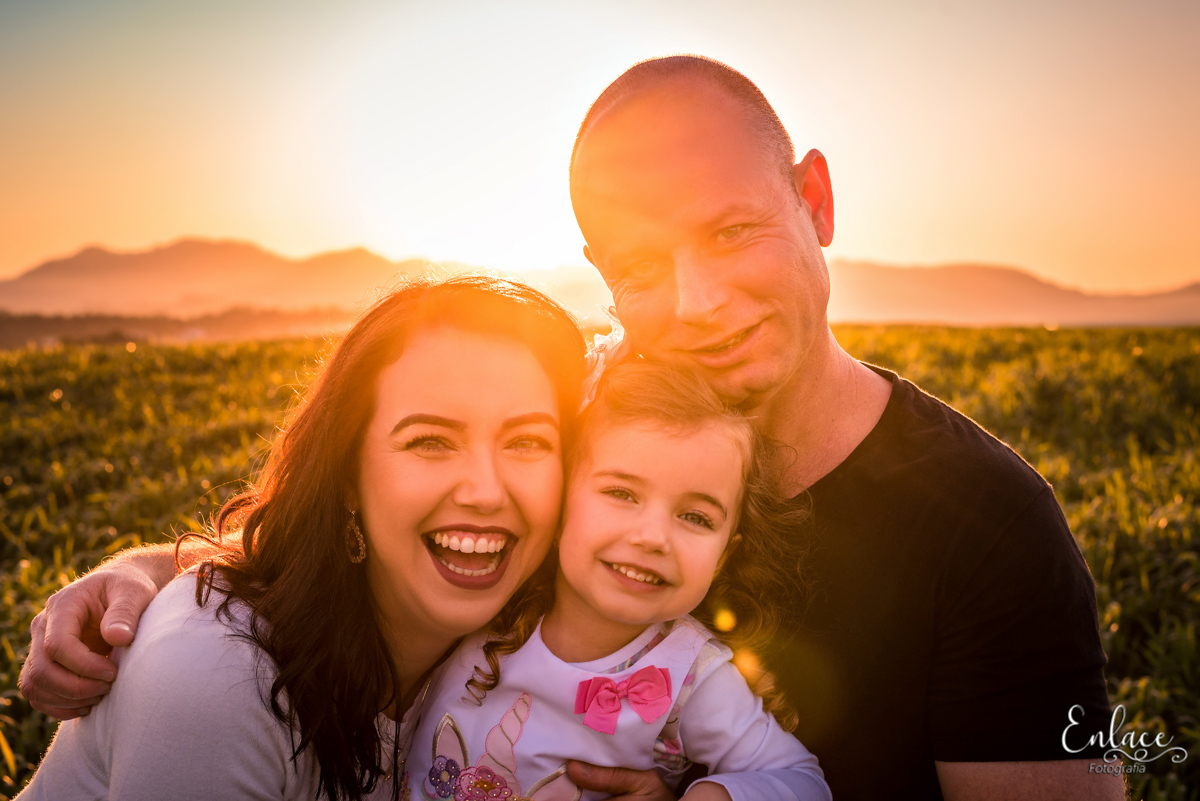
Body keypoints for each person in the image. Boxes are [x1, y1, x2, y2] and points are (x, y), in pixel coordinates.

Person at [22, 56, 1124, 799]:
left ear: (817, 202)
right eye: (642, 267)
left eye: (735, 230)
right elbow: (365, 531)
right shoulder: (591, 416)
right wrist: (147, 575)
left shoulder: (989, 528)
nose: (695, 304)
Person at [19, 276, 591, 800]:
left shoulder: (534, 648)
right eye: (430, 442)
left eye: (528, 442)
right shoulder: (218, 680)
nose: (487, 492)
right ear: (346, 474)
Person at [408, 360, 829, 801]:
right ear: (561, 503)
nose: (652, 538)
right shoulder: (491, 599)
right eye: (621, 493)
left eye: (695, 517)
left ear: (725, 555)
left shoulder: (692, 679)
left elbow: (802, 780)